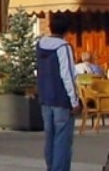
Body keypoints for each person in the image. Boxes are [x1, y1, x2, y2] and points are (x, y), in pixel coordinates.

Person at [37, 12, 81, 171]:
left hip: (45, 97)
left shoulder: (40, 44)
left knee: (49, 137)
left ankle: (50, 166)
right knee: (62, 138)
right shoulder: (63, 47)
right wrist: (74, 100)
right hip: (62, 98)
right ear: (66, 30)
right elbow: (67, 74)